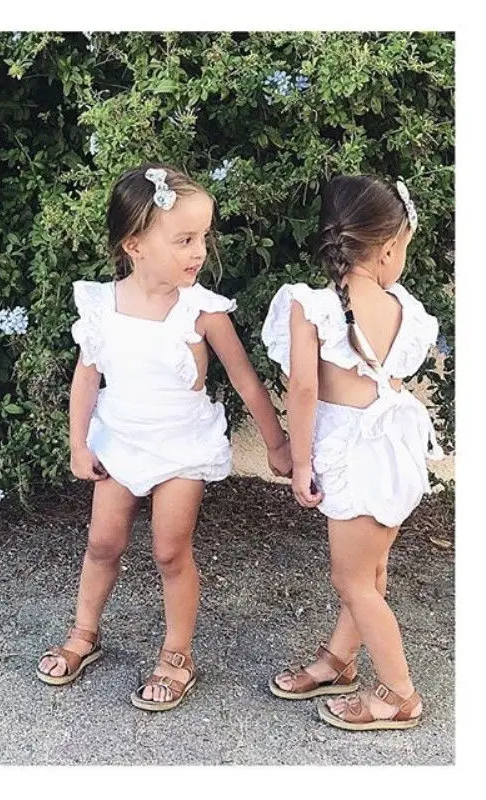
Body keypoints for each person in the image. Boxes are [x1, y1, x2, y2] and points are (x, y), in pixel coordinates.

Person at [36, 164, 291, 711]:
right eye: (184, 240)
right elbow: (87, 377)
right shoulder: (103, 305)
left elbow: (245, 381)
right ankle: (84, 631)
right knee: (102, 543)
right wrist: (78, 444)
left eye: (202, 238)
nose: (199, 252)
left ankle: (178, 653)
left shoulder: (202, 311)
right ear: (135, 245)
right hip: (120, 441)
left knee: (170, 550)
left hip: (181, 447)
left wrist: (277, 443)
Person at [261, 174, 443, 730]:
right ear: (387, 248)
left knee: (353, 580)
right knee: (371, 570)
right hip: (391, 453)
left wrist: (300, 461)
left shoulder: (310, 306)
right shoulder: (403, 307)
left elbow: (303, 389)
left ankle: (399, 693)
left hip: (351, 454)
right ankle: (339, 661)